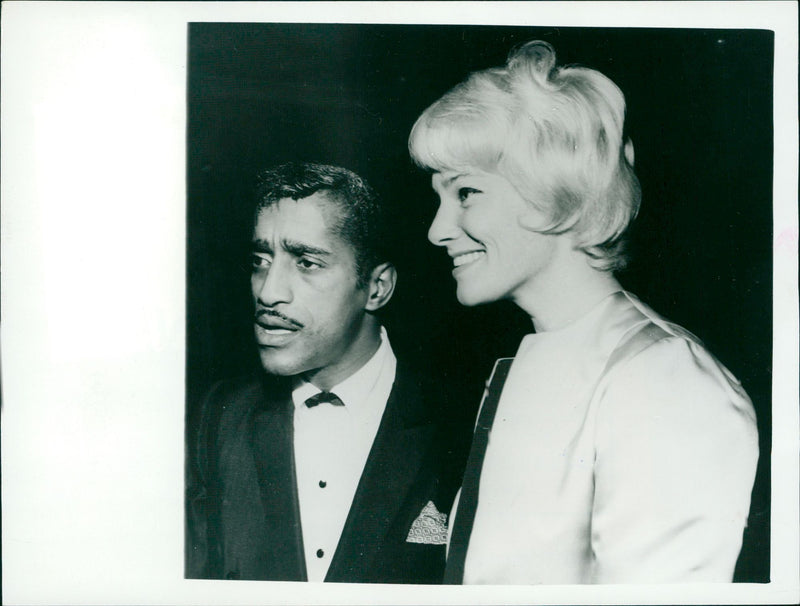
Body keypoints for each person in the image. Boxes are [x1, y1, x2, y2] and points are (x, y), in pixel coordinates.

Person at [408, 41, 759, 584]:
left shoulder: (661, 379)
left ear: (555, 193)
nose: (437, 230)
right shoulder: (530, 358)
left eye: (466, 193)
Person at [186, 162, 469, 583]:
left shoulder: (463, 423)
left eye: (306, 262)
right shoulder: (216, 418)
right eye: (260, 260)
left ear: (377, 288)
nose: (268, 292)